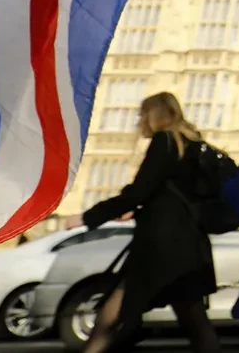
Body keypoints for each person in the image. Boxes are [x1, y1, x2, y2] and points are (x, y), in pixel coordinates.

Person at [76, 92, 220, 353]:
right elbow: (169, 195)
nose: (139, 121)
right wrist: (142, 209)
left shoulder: (165, 141)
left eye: (142, 115)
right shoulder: (193, 145)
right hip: (189, 247)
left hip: (160, 249)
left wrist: (88, 217)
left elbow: (138, 192)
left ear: (155, 115)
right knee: (195, 322)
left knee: (109, 318)